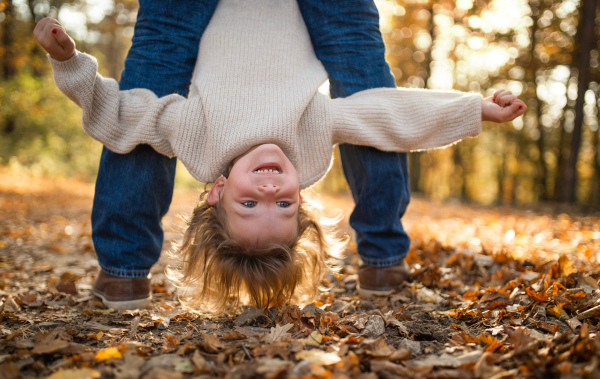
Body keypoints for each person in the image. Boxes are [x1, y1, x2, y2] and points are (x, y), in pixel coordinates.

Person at [34, 0, 526, 310]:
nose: (271, 191)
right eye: (285, 206)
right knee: (359, 56)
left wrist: (69, 63)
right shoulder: (309, 148)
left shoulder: (198, 142)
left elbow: (122, 116)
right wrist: (475, 110)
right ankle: (384, 258)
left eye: (250, 205)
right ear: (301, 201)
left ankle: (124, 274)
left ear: (218, 193)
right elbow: (387, 115)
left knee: (156, 60)